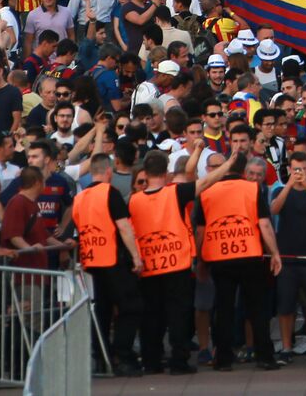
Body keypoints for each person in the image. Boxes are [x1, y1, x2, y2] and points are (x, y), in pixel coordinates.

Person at [196, 148, 283, 372]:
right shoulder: (252, 189)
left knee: (223, 309)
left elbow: (201, 231)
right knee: (257, 309)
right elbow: (264, 224)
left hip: (219, 255)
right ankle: (265, 357)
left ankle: (223, 358)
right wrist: (274, 253)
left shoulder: (208, 192)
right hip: (249, 254)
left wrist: (200, 259)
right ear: (243, 171)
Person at [128, 146, 203, 375]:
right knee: (178, 315)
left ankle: (151, 361)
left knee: (151, 317)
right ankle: (178, 361)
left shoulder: (133, 201)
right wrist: (229, 165)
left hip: (148, 265)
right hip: (176, 263)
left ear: (146, 172)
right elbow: (205, 184)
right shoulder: (175, 193)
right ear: (166, 172)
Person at [72, 154, 144, 376]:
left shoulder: (80, 197)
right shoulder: (109, 193)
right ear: (109, 171)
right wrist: (136, 257)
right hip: (112, 259)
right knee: (130, 307)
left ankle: (101, 357)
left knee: (101, 312)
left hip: (91, 261)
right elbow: (123, 227)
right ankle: (121, 355)